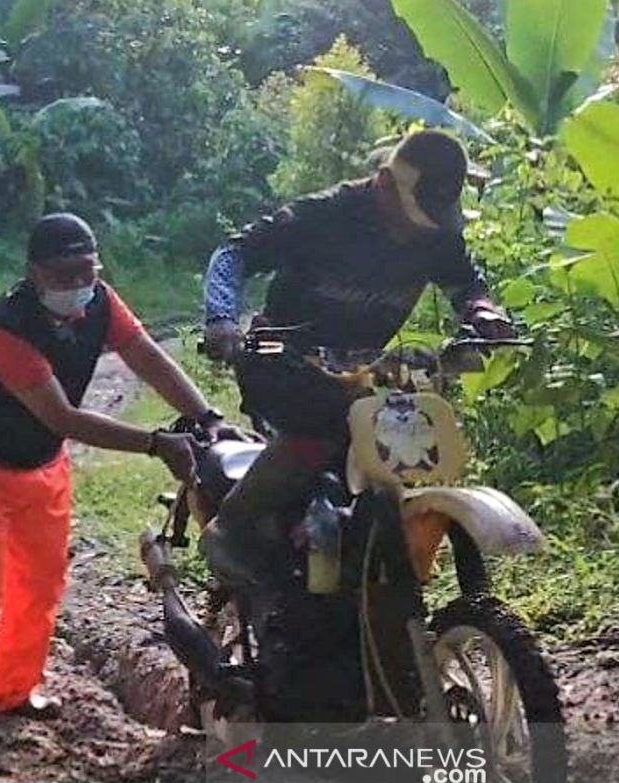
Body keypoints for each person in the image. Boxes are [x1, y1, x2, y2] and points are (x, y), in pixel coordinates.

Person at [0, 212, 237, 728]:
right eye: (63, 275)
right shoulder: (2, 331)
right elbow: (64, 417)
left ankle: (13, 689)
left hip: (41, 460)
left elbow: (145, 356)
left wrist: (207, 416)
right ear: (35, 274)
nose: (78, 285)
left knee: (42, 580)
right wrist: (153, 443)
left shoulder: (100, 301)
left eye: (87, 271)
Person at [199, 129, 515, 585]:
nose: (416, 230)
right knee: (325, 425)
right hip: (281, 362)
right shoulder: (322, 217)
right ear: (385, 183)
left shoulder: (434, 231)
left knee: (401, 437)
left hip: (360, 372)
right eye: (411, 215)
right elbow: (235, 254)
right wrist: (222, 318)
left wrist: (482, 313)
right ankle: (229, 528)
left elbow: (466, 283)